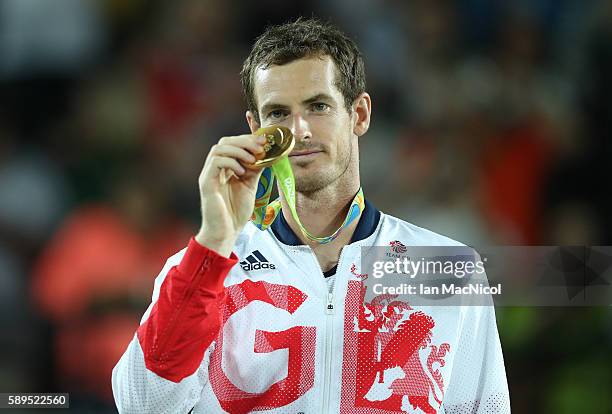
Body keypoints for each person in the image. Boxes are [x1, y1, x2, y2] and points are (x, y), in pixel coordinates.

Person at [112, 18, 510, 413]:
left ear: (360, 114)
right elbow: (142, 405)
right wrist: (214, 244)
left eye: (317, 106)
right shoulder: (201, 273)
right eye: (278, 113)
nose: (299, 130)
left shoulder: (446, 269)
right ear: (256, 129)